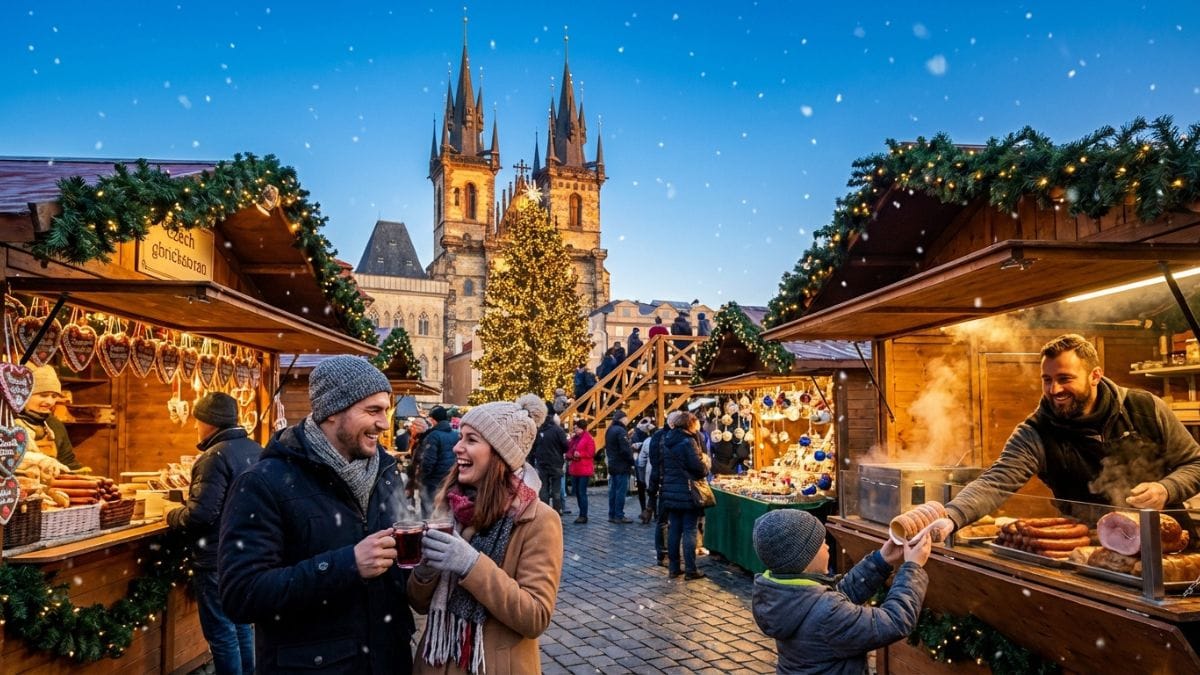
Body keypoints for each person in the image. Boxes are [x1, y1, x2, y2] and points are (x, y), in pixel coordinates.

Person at [219, 355, 415, 673]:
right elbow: (242, 595)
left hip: (388, 661)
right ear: (332, 412)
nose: (384, 423)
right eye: (373, 410)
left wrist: (425, 566)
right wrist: (348, 564)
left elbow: (396, 571)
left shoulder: (385, 472)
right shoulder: (263, 483)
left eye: (386, 410)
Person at [907, 333, 1200, 544]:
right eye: (1047, 380)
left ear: (1095, 376)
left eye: (1064, 379)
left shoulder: (1146, 408)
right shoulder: (1035, 432)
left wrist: (1167, 489)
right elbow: (995, 482)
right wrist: (953, 516)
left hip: (1171, 544)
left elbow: (1196, 464)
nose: (1054, 390)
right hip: (1092, 550)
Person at [409, 394, 564, 674]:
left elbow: (535, 617)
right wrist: (426, 568)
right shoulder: (449, 506)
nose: (457, 447)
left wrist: (471, 565)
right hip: (434, 662)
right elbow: (419, 603)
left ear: (499, 454)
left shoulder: (539, 520)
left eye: (471, 439)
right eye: (461, 437)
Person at [751, 510, 930, 674]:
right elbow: (895, 621)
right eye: (822, 543)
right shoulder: (826, 613)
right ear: (805, 559)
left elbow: (840, 594)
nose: (827, 547)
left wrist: (881, 560)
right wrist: (912, 567)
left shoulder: (784, 594)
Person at [167, 392, 261, 675]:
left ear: (209, 422)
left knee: (221, 633)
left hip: (217, 556)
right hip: (246, 553)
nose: (196, 426)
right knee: (241, 625)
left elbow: (200, 515)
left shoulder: (214, 457)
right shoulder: (254, 449)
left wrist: (170, 514)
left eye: (198, 420)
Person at [658, 411, 710, 579]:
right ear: (689, 424)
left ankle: (674, 568)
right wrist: (705, 464)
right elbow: (699, 468)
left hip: (671, 491)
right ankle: (690, 569)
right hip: (687, 492)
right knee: (689, 530)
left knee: (674, 529)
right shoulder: (688, 442)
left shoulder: (667, 440)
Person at [17, 365, 82, 470]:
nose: (49, 402)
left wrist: (82, 475)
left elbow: (68, 462)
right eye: (43, 395)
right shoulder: (7, 421)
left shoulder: (54, 425)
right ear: (24, 395)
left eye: (54, 396)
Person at [647, 411, 681, 565]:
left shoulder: (661, 436)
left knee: (667, 521)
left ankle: (667, 553)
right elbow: (655, 461)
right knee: (664, 520)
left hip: (667, 481)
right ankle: (664, 553)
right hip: (666, 482)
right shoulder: (662, 437)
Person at [419, 406, 460, 517]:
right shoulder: (455, 434)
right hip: (450, 480)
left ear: (433, 420)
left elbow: (428, 461)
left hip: (433, 481)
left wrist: (422, 477)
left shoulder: (433, 435)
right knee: (445, 511)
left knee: (428, 512)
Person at [532, 402, 568, 513]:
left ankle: (545, 513)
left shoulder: (538, 430)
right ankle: (556, 512)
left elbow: (533, 448)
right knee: (556, 490)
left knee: (544, 490)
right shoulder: (558, 430)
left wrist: (533, 461)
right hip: (556, 463)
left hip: (542, 463)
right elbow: (566, 446)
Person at [604, 410, 636, 524]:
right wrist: (632, 461)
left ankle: (612, 514)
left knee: (613, 490)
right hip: (621, 465)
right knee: (620, 492)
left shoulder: (610, 430)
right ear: (622, 419)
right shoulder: (621, 431)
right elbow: (625, 450)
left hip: (613, 464)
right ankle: (619, 515)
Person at [567, 419, 596, 523]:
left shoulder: (588, 438)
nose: (574, 429)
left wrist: (580, 454)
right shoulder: (575, 438)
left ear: (581, 428)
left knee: (581, 492)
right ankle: (582, 514)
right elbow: (570, 449)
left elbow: (591, 452)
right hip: (576, 469)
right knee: (578, 493)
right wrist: (570, 455)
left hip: (584, 469)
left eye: (576, 428)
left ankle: (583, 515)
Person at [632, 417, 655, 519]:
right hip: (645, 465)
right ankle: (647, 510)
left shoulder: (638, 434)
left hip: (643, 465)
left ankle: (646, 510)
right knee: (650, 489)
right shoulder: (638, 434)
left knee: (645, 489)